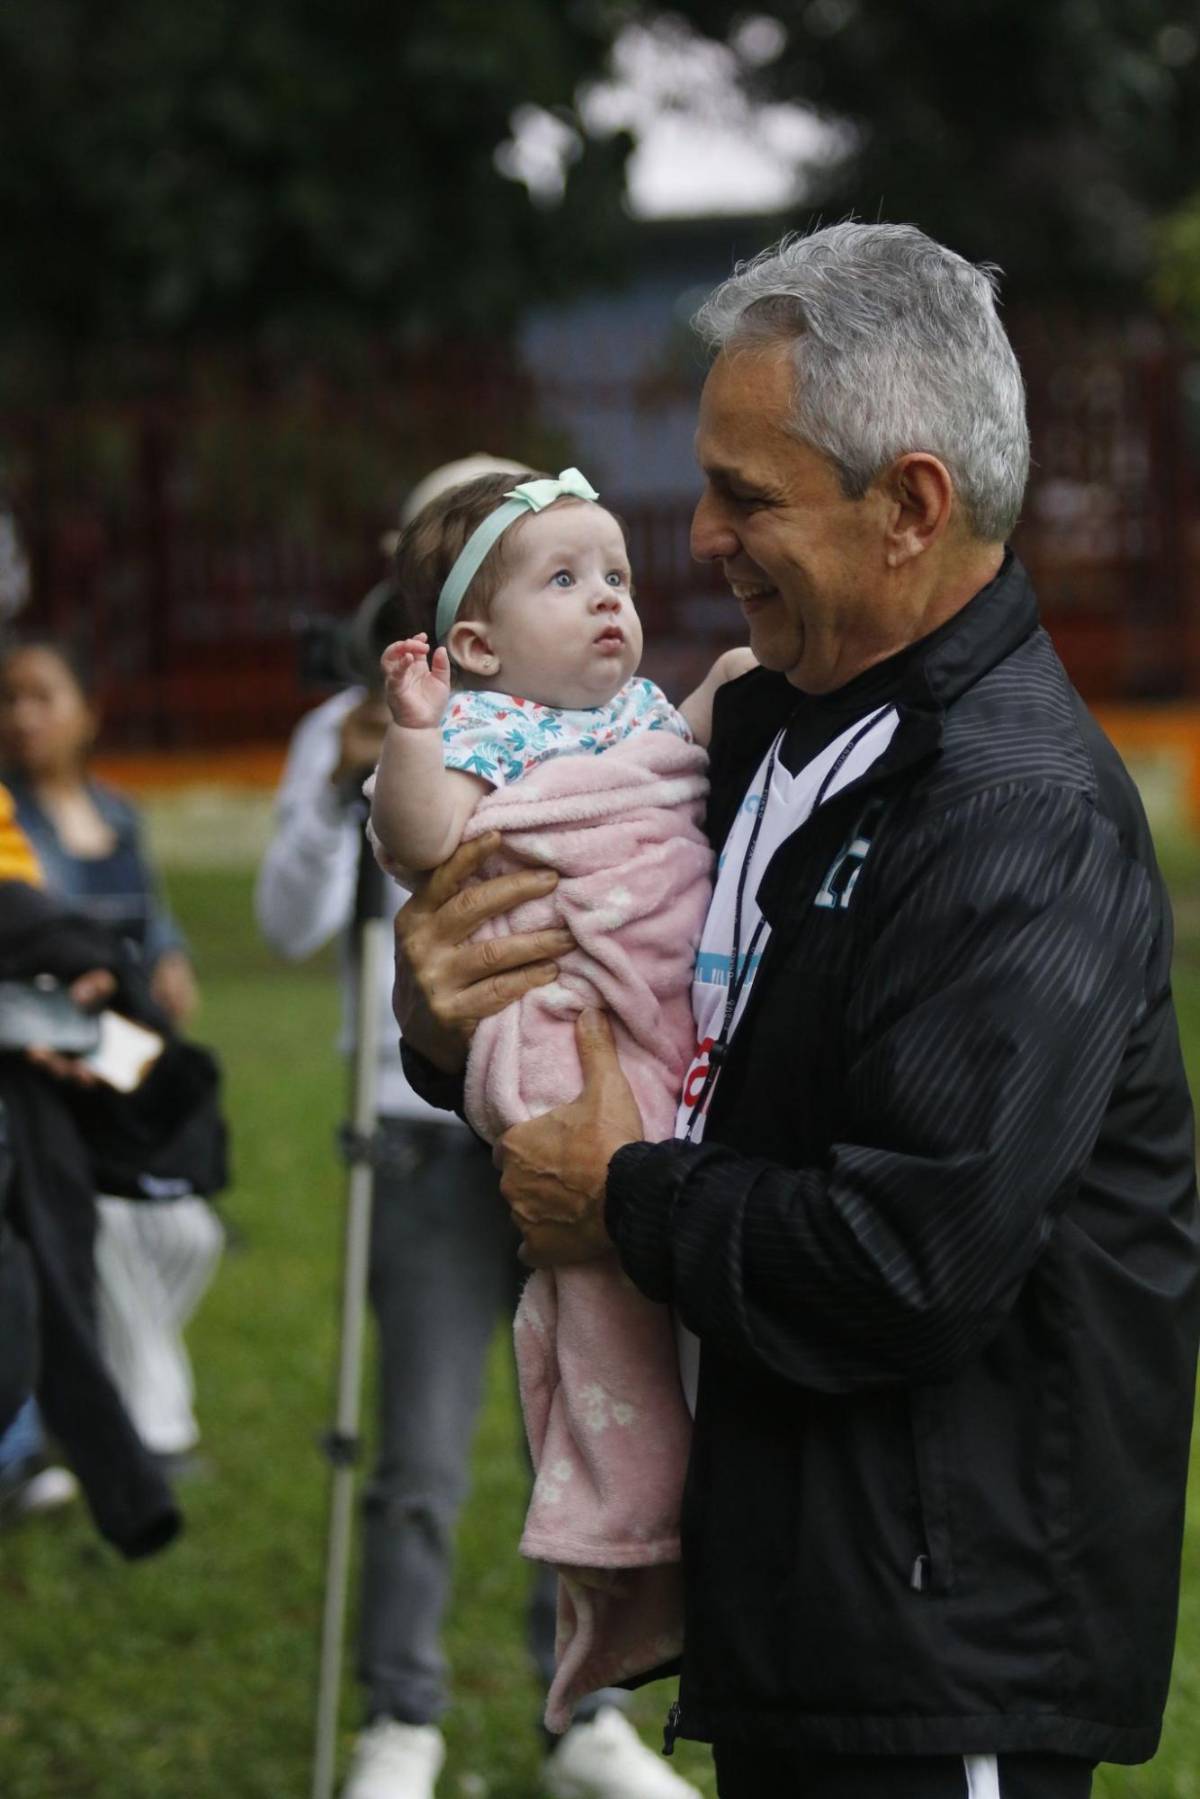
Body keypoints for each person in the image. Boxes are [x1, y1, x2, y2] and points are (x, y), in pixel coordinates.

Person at [393, 223, 1200, 1799]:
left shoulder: (1014, 814)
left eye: (748, 495)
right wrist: (444, 1025)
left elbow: (912, 1258)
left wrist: (619, 1199)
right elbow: (603, 1014)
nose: (696, 537)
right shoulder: (761, 726)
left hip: (940, 1645)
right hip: (792, 1591)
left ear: (911, 504)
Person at [256, 455, 702, 1799]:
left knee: (600, 1400)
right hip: (422, 1121)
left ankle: (587, 1710)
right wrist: (376, 750)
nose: (594, 593)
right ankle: (404, 1705)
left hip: (589, 1105)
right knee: (425, 1442)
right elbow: (286, 922)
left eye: (600, 570)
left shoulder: (621, 712)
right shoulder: (383, 719)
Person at [0, 641, 223, 1472]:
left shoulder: (122, 812)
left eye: (42, 695)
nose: (23, 714)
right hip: (46, 1049)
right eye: (9, 698)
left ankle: (85, 1384)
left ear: (87, 710)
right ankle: (154, 1431)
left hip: (129, 1048)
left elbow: (154, 918)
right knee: (117, 1227)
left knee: (189, 1232)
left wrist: (171, 958)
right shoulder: (6, 824)